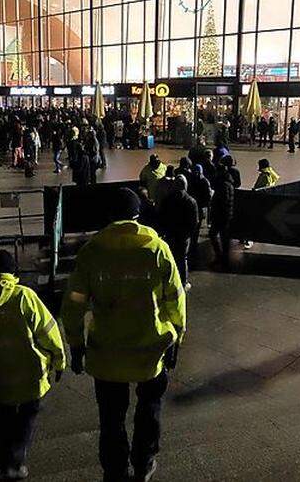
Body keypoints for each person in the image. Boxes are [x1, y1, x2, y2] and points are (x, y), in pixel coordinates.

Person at [62, 188, 186, 482]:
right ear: (137, 215)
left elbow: (74, 302)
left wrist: (76, 344)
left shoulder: (92, 251)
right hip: (151, 348)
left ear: (109, 216)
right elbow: (175, 298)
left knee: (111, 417)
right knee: (149, 407)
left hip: (106, 350)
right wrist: (176, 336)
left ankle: (115, 470)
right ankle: (144, 462)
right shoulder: (157, 248)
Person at [0, 250, 66, 481]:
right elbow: (49, 332)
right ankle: (15, 463)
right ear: (13, 272)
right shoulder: (24, 296)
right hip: (30, 374)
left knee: (1, 418)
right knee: (27, 418)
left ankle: (3, 460)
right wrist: (59, 361)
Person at [156, 176, 198, 289]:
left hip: (170, 234)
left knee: (170, 258)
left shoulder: (167, 199)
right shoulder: (191, 201)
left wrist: (163, 231)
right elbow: (194, 222)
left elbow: (161, 216)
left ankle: (169, 282)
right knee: (182, 259)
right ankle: (183, 283)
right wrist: (188, 234)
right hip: (183, 236)